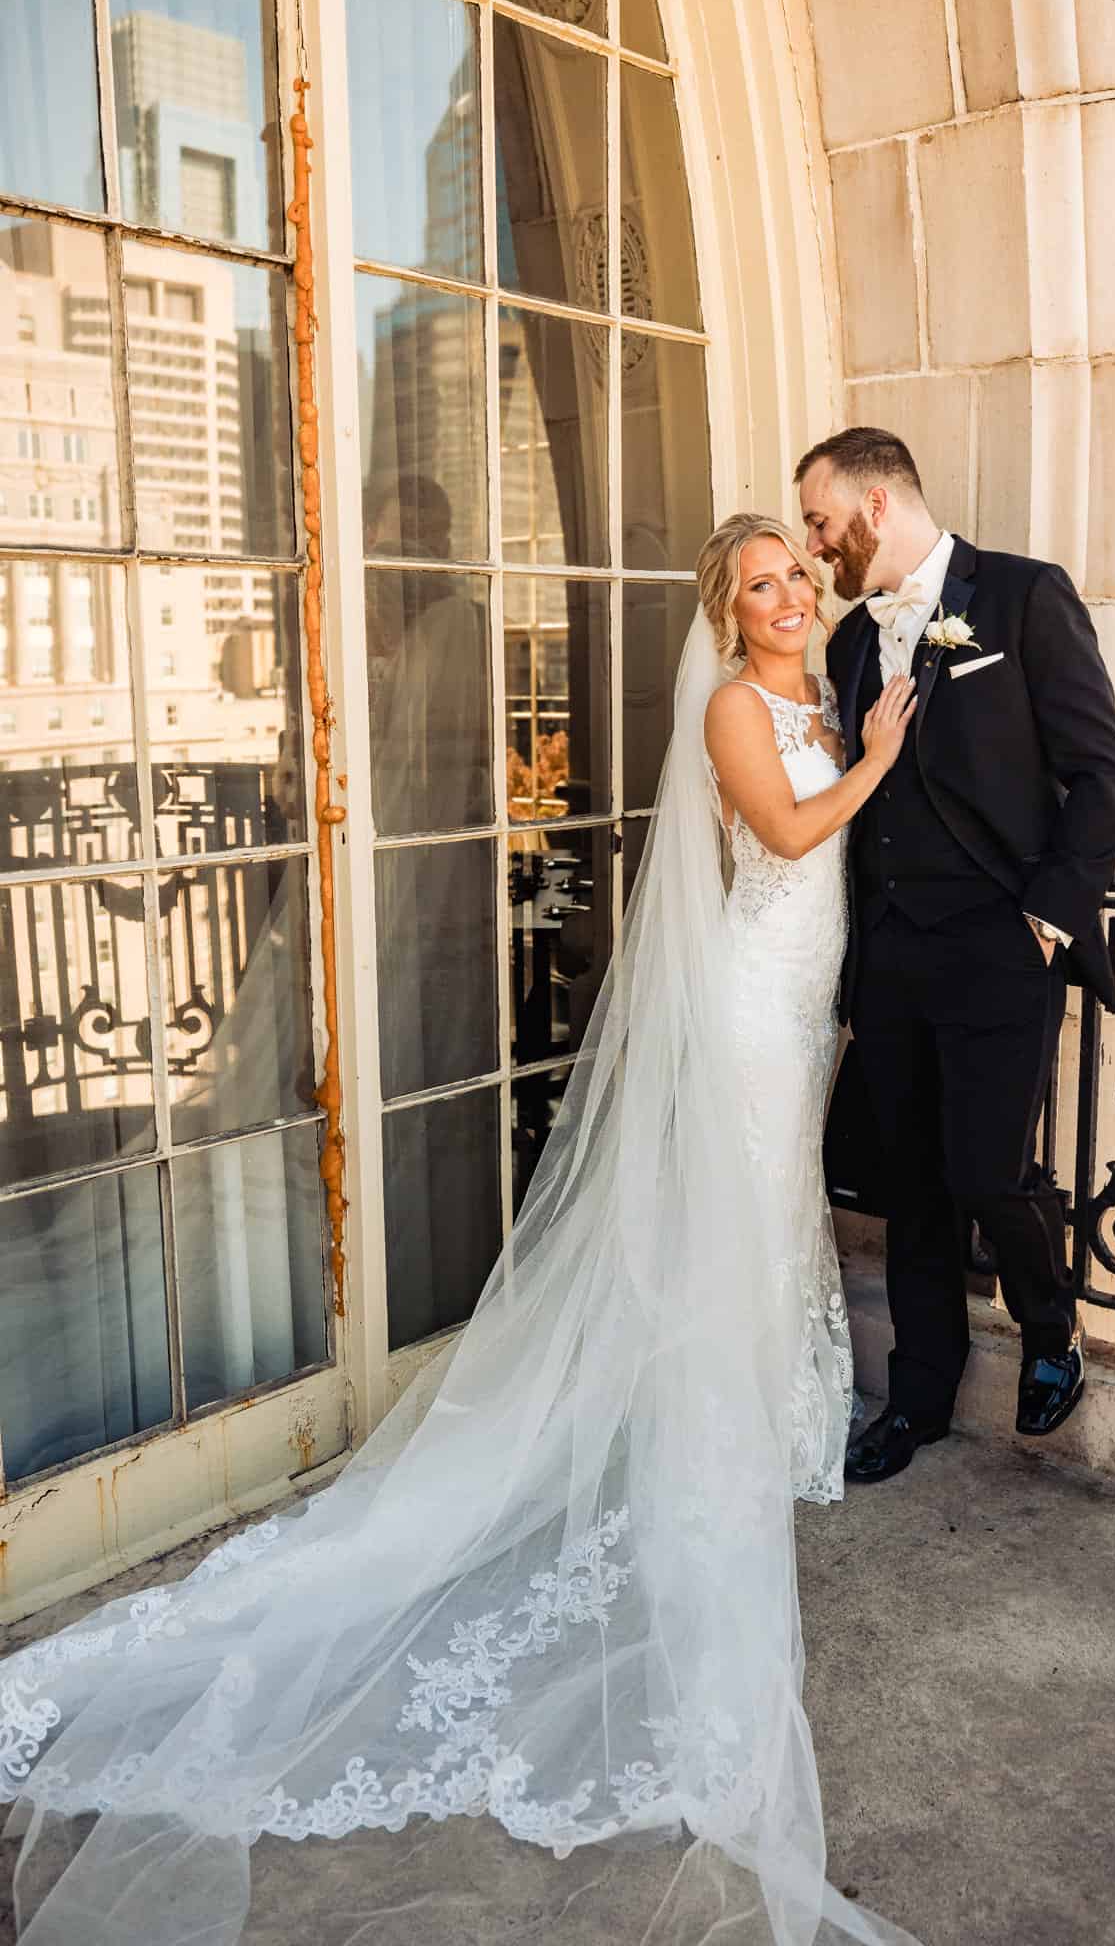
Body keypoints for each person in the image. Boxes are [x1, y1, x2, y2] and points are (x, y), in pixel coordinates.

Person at [0, 518, 919, 1946]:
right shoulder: (742, 709)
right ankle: (709, 1423)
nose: (788, 593)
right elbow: (793, 833)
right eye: (759, 583)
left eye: (797, 572)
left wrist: (857, 740)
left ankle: (766, 1401)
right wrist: (878, 757)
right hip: (749, 1005)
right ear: (725, 615)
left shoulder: (815, 689)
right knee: (735, 1204)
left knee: (774, 1208)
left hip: (803, 1004)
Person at [797, 426, 1115, 1483]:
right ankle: (919, 1397)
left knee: (987, 1166)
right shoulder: (851, 644)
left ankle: (1049, 1326)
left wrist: (1045, 918)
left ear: (876, 505)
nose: (815, 548)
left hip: (1001, 945)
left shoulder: (1025, 597)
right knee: (911, 1190)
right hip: (893, 956)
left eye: (820, 522)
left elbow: (1099, 770)